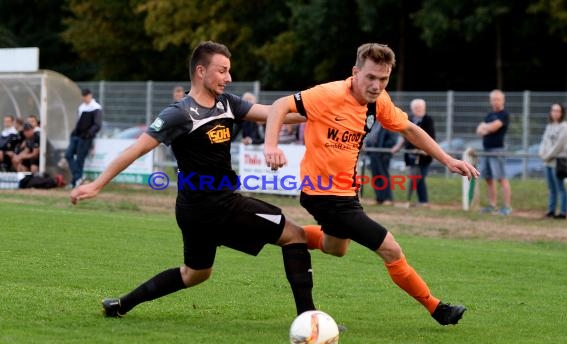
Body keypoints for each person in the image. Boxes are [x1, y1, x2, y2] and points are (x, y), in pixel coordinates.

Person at [70, 41, 317, 319]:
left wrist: (321, 111)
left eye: (229, 71)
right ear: (201, 71)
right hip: (216, 205)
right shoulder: (179, 113)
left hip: (194, 209)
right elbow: (135, 149)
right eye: (222, 71)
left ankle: (121, 305)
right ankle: (310, 320)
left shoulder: (227, 103)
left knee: (196, 273)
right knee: (295, 235)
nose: (229, 78)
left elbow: (274, 113)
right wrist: (96, 184)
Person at [264, 43, 479, 326]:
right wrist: (271, 145)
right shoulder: (328, 94)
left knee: (336, 247)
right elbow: (280, 106)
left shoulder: (379, 102)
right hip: (323, 193)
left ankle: (284, 234)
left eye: (383, 79)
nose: (377, 85)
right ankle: (438, 309)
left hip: (347, 193)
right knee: (391, 249)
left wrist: (447, 160)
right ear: (355, 72)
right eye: (371, 77)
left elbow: (410, 129)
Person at [392, 98, 435, 206]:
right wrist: (397, 147)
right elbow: (404, 136)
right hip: (411, 155)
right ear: (412, 108)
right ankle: (419, 201)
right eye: (416, 108)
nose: (418, 109)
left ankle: (423, 201)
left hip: (424, 155)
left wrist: (424, 150)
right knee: (414, 178)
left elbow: (430, 137)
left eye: (420, 107)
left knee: (420, 178)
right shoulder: (410, 119)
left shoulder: (427, 120)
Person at [476, 89, 512, 215]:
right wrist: (487, 128)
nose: (495, 102)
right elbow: (479, 131)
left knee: (501, 178)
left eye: (498, 99)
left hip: (497, 150)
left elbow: (493, 127)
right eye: (493, 99)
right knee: (488, 178)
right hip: (486, 150)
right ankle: (492, 205)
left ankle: (507, 207)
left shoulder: (504, 114)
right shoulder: (489, 115)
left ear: (503, 100)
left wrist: (486, 127)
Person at [65, 88, 103, 188]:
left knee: (80, 159)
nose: (85, 98)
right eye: (83, 96)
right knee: (68, 155)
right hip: (76, 135)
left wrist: (89, 133)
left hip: (85, 137)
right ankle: (78, 178)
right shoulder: (81, 107)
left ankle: (75, 181)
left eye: (86, 95)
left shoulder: (96, 108)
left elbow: (97, 124)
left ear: (90, 96)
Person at [538, 103, 567, 219]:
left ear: (562, 113)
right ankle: (551, 210)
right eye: (553, 110)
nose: (555, 113)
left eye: (558, 111)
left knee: (560, 187)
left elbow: (559, 145)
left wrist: (548, 156)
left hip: (558, 162)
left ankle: (563, 212)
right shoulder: (549, 126)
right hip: (547, 162)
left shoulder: (565, 127)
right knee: (551, 188)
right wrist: (541, 153)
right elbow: (544, 141)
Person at [365, 120, 398, 205]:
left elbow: (392, 140)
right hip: (373, 152)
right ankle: (379, 198)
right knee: (376, 176)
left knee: (383, 176)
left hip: (383, 154)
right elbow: (371, 136)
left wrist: (384, 149)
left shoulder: (388, 122)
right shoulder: (374, 122)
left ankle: (388, 199)